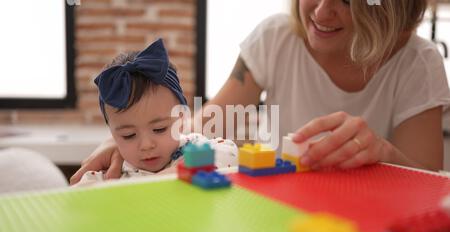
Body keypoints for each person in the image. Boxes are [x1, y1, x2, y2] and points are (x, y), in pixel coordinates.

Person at [71, 0, 450, 184]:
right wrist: (135, 136)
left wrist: (383, 154)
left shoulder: (419, 63)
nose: (320, 12)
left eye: (347, 1)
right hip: (282, 203)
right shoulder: (276, 37)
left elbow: (429, 185)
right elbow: (212, 116)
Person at [72, 39, 237, 186]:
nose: (146, 145)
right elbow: (80, 196)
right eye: (128, 135)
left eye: (159, 129)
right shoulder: (110, 176)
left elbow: (230, 154)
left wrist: (156, 181)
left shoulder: (192, 148)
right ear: (112, 135)